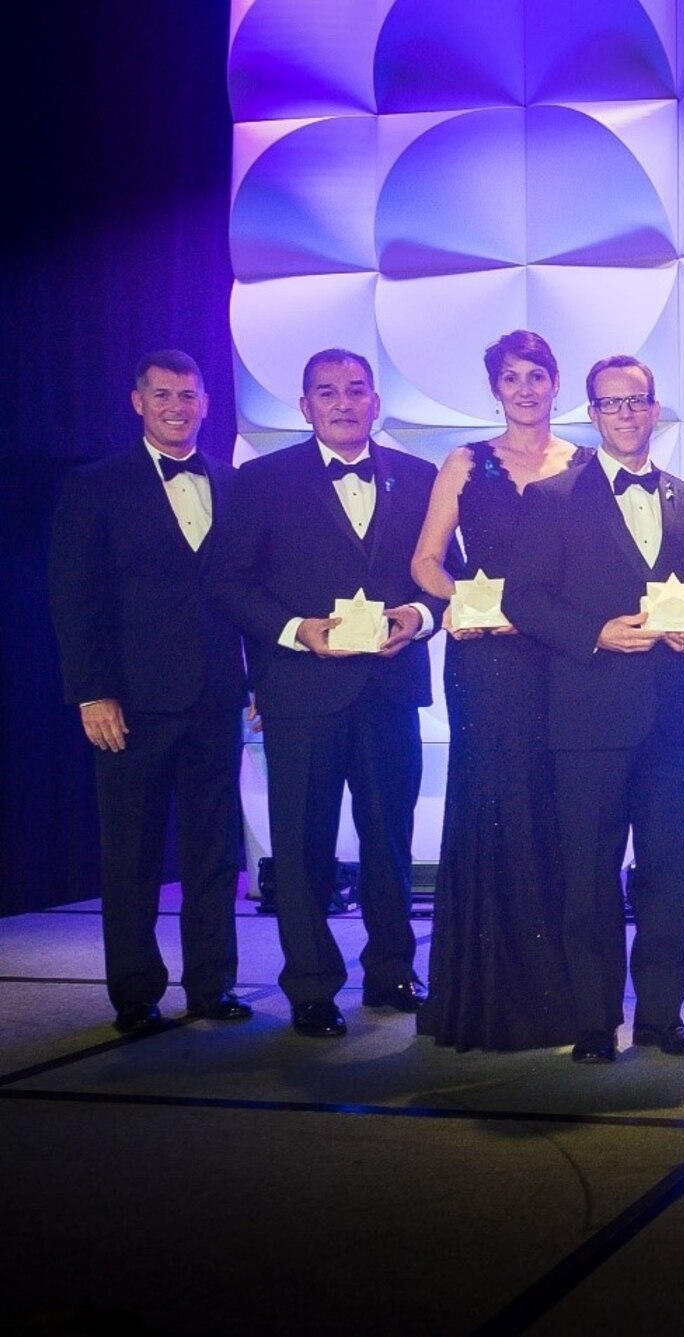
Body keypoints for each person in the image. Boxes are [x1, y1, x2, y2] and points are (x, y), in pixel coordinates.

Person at [207, 349, 444, 1038]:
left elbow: (446, 574)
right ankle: (311, 984)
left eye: (356, 390)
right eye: (326, 392)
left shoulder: (419, 476)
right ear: (304, 406)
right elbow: (228, 582)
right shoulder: (260, 480)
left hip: (389, 689)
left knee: (390, 843)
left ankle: (393, 970)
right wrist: (294, 629)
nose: (343, 402)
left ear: (376, 402)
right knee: (303, 846)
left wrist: (419, 618)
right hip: (302, 692)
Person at [506, 354, 684, 1066]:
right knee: (589, 878)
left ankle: (661, 1016)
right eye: (611, 404)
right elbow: (522, 599)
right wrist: (594, 633)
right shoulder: (552, 497)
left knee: (667, 875)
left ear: (656, 410)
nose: (626, 414)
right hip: (588, 721)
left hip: (671, 718)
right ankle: (595, 1019)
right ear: (591, 415)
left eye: (638, 402)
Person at [48, 350, 250, 1033]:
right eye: (162, 394)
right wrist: (92, 692)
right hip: (130, 701)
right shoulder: (95, 485)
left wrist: (255, 678)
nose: (176, 405)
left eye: (187, 394)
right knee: (131, 853)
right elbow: (76, 599)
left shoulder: (230, 482)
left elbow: (244, 591)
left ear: (205, 402)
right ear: (138, 401)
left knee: (215, 851)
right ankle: (134, 991)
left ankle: (213, 984)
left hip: (218, 695)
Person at [408, 330, 585, 1051]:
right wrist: (462, 601)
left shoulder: (585, 464)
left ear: (554, 382)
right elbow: (423, 560)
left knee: (556, 807)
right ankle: (482, 991)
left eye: (536, 374)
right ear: (495, 387)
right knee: (490, 805)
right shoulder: (463, 462)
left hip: (559, 661)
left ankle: (561, 992)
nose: (524, 387)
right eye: (511, 376)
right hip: (482, 662)